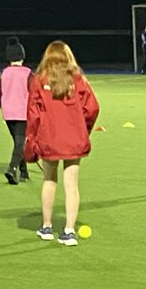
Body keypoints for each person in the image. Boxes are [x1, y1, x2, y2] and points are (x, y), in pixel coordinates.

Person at [24, 40, 100, 247]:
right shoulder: (78, 80)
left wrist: (32, 139)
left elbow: (33, 114)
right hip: (74, 139)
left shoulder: (39, 80)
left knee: (49, 180)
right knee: (71, 184)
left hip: (50, 138)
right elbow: (92, 108)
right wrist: (82, 128)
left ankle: (47, 226)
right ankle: (69, 230)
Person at [0, 36, 31, 185]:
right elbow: (35, 94)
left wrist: (2, 107)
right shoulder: (28, 73)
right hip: (22, 113)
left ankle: (24, 172)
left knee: (18, 142)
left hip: (8, 113)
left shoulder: (5, 73)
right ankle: (12, 168)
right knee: (19, 143)